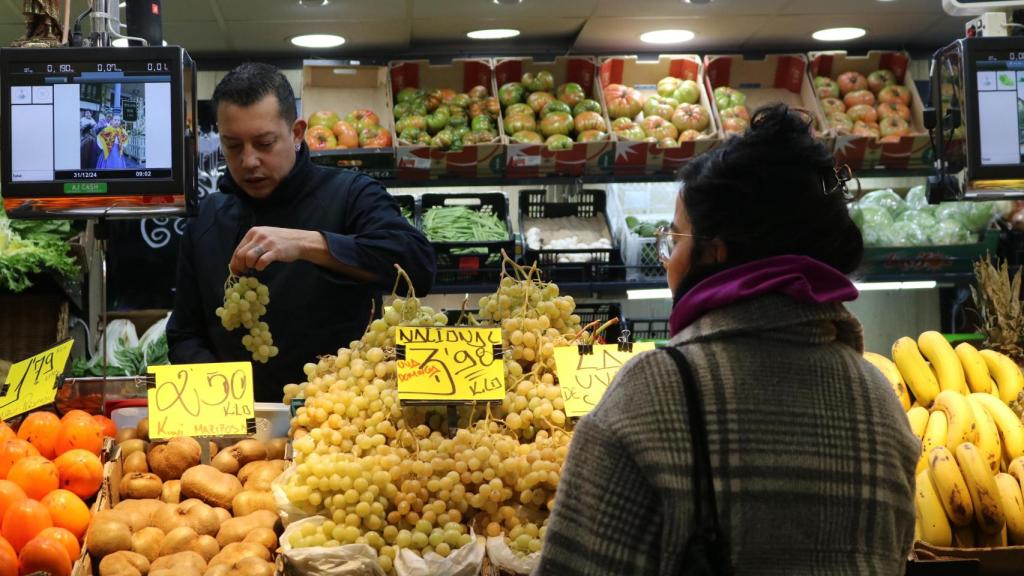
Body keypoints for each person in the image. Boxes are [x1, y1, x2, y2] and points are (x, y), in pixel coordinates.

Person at [535, 105, 919, 575]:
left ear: (715, 252)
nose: (667, 260)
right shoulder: (880, 402)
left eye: (673, 240)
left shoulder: (652, 393)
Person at [167, 63, 436, 401]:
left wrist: (309, 243)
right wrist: (223, 403)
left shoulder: (352, 194)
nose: (249, 161)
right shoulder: (206, 218)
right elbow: (184, 335)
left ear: (296, 133)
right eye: (233, 146)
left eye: (264, 143)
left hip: (339, 422)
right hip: (240, 437)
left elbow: (419, 266)